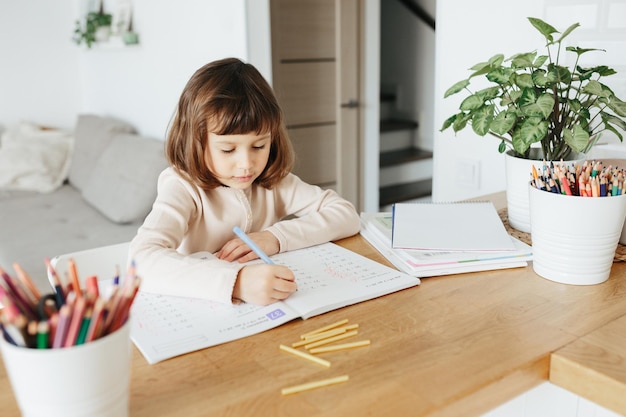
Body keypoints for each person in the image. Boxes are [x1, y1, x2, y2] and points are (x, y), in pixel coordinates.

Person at [129, 57, 361, 306]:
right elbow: (141, 261)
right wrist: (237, 282)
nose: (246, 164)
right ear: (195, 141)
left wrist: (275, 237)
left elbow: (346, 215)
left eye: (259, 145)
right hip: (206, 310)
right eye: (228, 150)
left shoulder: (273, 182)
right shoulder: (183, 187)